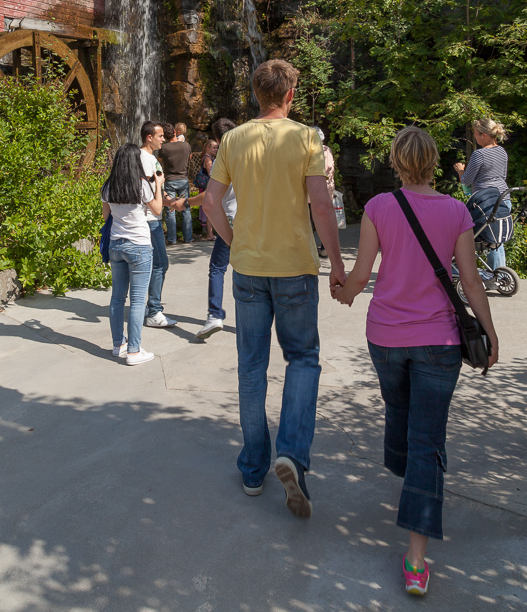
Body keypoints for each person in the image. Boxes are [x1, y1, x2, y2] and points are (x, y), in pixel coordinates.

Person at [334, 126, 499, 597]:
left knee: (400, 412)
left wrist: (343, 293)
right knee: (426, 437)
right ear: (433, 162)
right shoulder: (456, 211)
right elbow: (470, 281)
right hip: (439, 342)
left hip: (385, 337)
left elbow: (361, 275)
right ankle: (416, 561)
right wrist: (489, 331)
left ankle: (409, 477)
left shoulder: (379, 207)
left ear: (396, 161)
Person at [204, 59, 345, 517]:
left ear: (256, 94)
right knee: (302, 359)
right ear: (290, 95)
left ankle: (252, 468)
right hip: (294, 268)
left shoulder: (233, 139)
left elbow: (210, 202)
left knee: (251, 367)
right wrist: (336, 261)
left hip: (248, 268)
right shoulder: (305, 137)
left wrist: (235, 242)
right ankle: (292, 454)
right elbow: (321, 204)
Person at [173, 118, 237, 339]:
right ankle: (254, 319)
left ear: (217, 139)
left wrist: (186, 202)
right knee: (250, 271)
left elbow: (210, 197)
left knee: (218, 268)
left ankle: (214, 315)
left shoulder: (222, 161)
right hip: (252, 221)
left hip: (229, 222)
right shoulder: (250, 157)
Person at [101, 143, 163, 366]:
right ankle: (134, 351)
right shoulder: (141, 184)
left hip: (116, 245)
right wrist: (158, 185)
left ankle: (118, 344)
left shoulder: (108, 186)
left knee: (117, 297)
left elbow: (106, 216)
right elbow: (157, 210)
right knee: (137, 301)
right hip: (139, 246)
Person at [454, 118, 510, 271]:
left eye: (476, 134)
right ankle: (501, 273)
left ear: (484, 135)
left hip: (486, 202)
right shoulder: (502, 151)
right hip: (504, 199)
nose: (474, 136)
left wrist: (460, 171)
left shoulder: (479, 154)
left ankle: (495, 275)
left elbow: (466, 180)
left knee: (489, 239)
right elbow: (503, 176)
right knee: (497, 240)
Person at [140, 120, 176, 328]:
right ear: (149, 137)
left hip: (153, 218)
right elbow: (147, 192)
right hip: (149, 220)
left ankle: (150, 307)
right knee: (160, 264)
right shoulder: (144, 159)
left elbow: (156, 188)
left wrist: (169, 200)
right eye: (160, 136)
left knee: (156, 265)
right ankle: (153, 311)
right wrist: (162, 202)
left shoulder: (151, 158)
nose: (164, 139)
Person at [159, 122, 193, 245]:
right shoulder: (186, 145)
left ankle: (172, 239)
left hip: (170, 180)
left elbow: (160, 161)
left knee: (170, 208)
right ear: (175, 132)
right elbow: (189, 158)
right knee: (186, 208)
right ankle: (188, 238)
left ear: (164, 136)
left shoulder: (164, 148)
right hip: (183, 179)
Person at [311, 128, 335, 258]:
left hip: (311, 192)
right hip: (325, 190)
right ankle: (324, 249)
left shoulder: (308, 151)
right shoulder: (326, 150)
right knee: (323, 220)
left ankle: (310, 249)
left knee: (309, 221)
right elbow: (329, 168)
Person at [197, 138, 219, 240]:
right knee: (210, 211)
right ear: (207, 148)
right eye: (214, 148)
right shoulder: (208, 159)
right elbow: (211, 173)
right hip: (208, 188)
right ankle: (210, 234)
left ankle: (210, 233)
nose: (216, 150)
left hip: (206, 187)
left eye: (217, 148)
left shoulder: (206, 157)